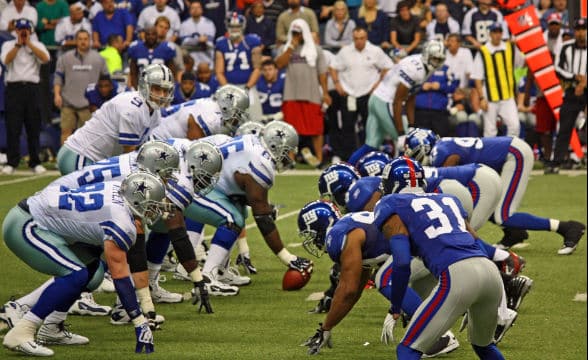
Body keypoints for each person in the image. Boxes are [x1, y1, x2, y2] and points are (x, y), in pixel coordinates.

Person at [1, 171, 168, 356]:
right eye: (153, 205)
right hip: (27, 224)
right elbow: (120, 279)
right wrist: (139, 322)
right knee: (76, 274)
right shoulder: (122, 224)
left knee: (92, 274)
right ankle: (22, 331)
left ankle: (52, 328)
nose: (156, 211)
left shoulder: (117, 190)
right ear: (138, 202)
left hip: (40, 218)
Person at [373, 157, 506, 360]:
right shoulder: (448, 199)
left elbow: (401, 263)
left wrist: (396, 308)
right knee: (484, 347)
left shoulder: (391, 203)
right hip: (489, 272)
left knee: (407, 349)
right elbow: (476, 241)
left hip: (459, 276)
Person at [299, 200, 460, 357]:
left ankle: (440, 337)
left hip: (420, 245)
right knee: (395, 281)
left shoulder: (338, 236)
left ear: (321, 227)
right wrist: (327, 328)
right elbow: (355, 291)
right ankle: (437, 329)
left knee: (386, 279)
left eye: (311, 234)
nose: (312, 241)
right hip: (428, 241)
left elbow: (348, 291)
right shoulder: (349, 225)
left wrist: (326, 327)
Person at [182, 122, 314, 295]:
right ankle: (208, 277)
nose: (290, 157)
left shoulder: (253, 142)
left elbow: (244, 192)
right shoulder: (261, 163)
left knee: (239, 211)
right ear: (275, 146)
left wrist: (265, 207)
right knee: (232, 219)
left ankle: (220, 271)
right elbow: (262, 219)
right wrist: (288, 258)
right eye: (288, 150)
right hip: (192, 184)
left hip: (203, 179)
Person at [410, 134, 587, 254]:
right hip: (507, 153)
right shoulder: (443, 145)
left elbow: (446, 188)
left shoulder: (441, 153)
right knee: (488, 203)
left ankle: (567, 227)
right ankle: (514, 234)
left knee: (502, 214)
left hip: (514, 154)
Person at [56, 64, 174, 175]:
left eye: (165, 90)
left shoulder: (154, 112)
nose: (162, 95)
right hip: (80, 155)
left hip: (95, 159)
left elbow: (146, 147)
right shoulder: (132, 109)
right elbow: (129, 155)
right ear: (145, 86)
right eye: (157, 89)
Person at [347, 40, 446, 165]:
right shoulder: (415, 69)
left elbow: (411, 96)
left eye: (439, 59)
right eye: (434, 59)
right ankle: (398, 176)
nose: (436, 63)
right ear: (426, 55)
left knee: (371, 145)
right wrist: (400, 133)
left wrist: (411, 125)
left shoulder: (423, 66)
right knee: (406, 143)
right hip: (385, 101)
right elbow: (397, 101)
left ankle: (348, 167)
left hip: (376, 99)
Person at [328, 26, 393, 160]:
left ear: (366, 38)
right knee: (347, 127)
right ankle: (347, 157)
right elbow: (333, 66)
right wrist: (336, 83)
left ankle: (368, 157)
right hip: (349, 94)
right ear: (353, 38)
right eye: (356, 38)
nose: (359, 41)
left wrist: (378, 85)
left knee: (369, 127)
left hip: (367, 95)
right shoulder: (345, 51)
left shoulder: (375, 51)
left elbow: (388, 67)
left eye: (362, 38)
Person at [275, 19, 331, 167]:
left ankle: (319, 159)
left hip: (311, 94)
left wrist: (325, 93)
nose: (297, 36)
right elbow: (279, 64)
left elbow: (323, 73)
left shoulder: (316, 50)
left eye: (299, 33)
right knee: (290, 130)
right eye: (294, 33)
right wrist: (291, 47)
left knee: (316, 129)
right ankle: (291, 160)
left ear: (304, 33)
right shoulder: (286, 48)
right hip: (291, 94)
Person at [1, 18, 50, 175]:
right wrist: (18, 45)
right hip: (14, 89)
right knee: (13, 127)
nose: (23, 32)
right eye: (20, 30)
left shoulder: (37, 45)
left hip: (32, 89)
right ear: (16, 31)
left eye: (26, 30)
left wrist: (28, 44)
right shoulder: (8, 45)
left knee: (33, 127)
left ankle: (35, 162)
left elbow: (46, 58)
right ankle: (11, 162)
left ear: (30, 30)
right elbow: (5, 60)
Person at [546, 18, 587, 174]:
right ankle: (556, 162)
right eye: (578, 29)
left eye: (583, 29)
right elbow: (557, 68)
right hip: (571, 90)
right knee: (565, 126)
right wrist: (574, 77)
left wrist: (584, 83)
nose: (580, 33)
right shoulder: (566, 47)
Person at [54, 29, 109, 145]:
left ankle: (86, 161)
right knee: (66, 132)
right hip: (68, 102)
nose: (83, 42)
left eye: (85, 39)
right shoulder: (65, 58)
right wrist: (57, 95)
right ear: (76, 41)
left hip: (90, 104)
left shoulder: (99, 59)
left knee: (89, 135)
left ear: (89, 41)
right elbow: (58, 78)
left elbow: (106, 81)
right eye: (80, 39)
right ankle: (64, 160)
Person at [471, 22, 519, 137]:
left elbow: (520, 66)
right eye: (494, 32)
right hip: (490, 97)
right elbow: (477, 78)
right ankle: (490, 154)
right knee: (490, 130)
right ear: (490, 34)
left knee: (515, 126)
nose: (497, 35)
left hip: (508, 96)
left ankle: (510, 152)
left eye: (499, 32)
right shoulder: (483, 51)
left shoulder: (509, 47)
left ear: (502, 33)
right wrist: (481, 98)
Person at [152, 84, 249, 140]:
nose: (238, 118)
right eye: (238, 113)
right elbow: (193, 151)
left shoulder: (211, 105)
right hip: (157, 139)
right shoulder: (210, 118)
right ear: (225, 107)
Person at [414, 63, 459, 137]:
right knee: (421, 139)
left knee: (441, 139)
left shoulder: (446, 69)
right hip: (420, 111)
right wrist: (421, 87)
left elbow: (454, 86)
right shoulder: (418, 68)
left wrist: (440, 86)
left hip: (439, 112)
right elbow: (409, 86)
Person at [179, 1, 216, 69]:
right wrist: (198, 40)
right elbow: (184, 42)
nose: (195, 10)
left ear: (202, 10)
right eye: (193, 8)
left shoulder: (209, 23)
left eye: (198, 7)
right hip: (190, 62)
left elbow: (210, 43)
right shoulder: (184, 24)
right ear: (189, 11)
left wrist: (192, 42)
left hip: (207, 60)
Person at [256, 59, 286, 123]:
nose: (267, 72)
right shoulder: (257, 80)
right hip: (261, 117)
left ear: (276, 70)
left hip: (278, 117)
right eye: (265, 70)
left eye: (270, 69)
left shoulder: (283, 81)